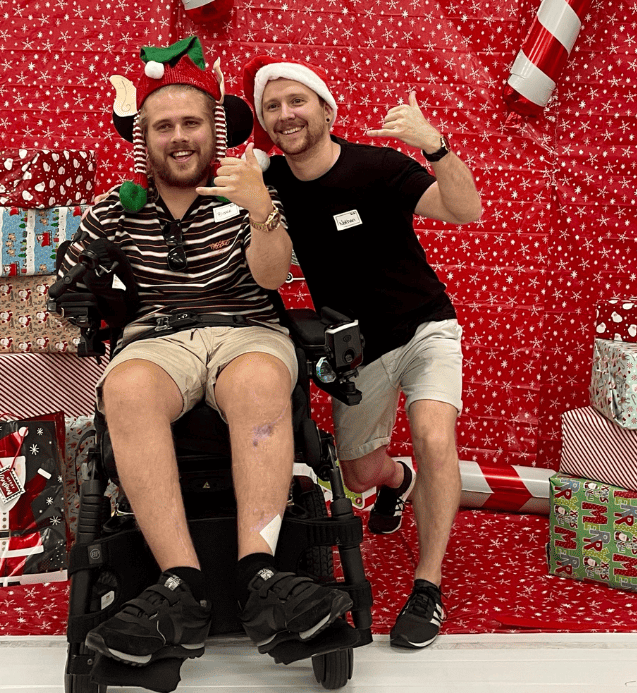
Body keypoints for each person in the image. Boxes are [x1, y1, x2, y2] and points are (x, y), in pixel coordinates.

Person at [56, 38, 351, 670]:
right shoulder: (112, 210)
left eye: (192, 122)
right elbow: (71, 293)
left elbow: (273, 278)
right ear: (145, 138)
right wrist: (83, 279)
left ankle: (259, 573)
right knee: (126, 388)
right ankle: (180, 586)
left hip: (246, 329)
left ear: (213, 130)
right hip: (157, 339)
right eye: (164, 126)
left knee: (256, 383)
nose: (179, 136)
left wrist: (263, 210)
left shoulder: (245, 192)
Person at [221, 55, 482, 649]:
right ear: (264, 121)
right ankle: (397, 480)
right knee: (362, 472)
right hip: (357, 349)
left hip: (424, 327)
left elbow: (465, 210)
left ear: (325, 109)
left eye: (297, 101)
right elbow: (270, 276)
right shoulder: (273, 186)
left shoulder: (379, 166)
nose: (286, 115)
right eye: (273, 107)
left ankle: (428, 587)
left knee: (434, 434)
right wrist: (259, 205)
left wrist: (435, 146)